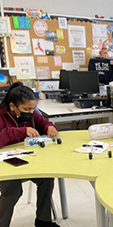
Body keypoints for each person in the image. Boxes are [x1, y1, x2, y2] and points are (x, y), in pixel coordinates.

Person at [0, 82, 60, 227]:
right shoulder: (1, 115)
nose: (31, 112)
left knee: (47, 178)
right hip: (5, 165)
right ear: (13, 106)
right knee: (13, 190)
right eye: (27, 109)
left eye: (33, 108)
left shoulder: (32, 115)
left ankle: (43, 220)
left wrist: (50, 127)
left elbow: (44, 123)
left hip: (26, 159)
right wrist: (21, 132)